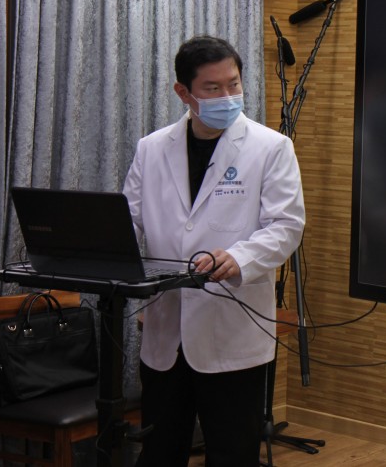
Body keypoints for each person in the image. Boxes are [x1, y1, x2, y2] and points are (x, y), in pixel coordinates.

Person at [124, 35, 306, 466]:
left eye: (234, 84)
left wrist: (239, 257)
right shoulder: (152, 149)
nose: (228, 96)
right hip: (166, 333)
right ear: (183, 92)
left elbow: (286, 226)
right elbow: (128, 219)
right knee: (159, 451)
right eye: (212, 88)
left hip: (232, 330)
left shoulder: (270, 147)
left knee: (232, 454)